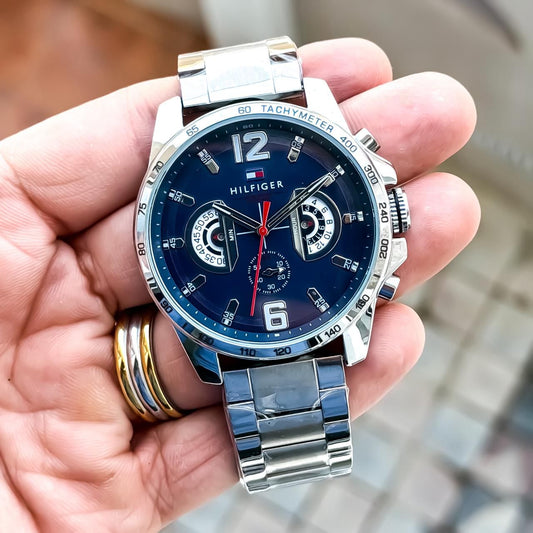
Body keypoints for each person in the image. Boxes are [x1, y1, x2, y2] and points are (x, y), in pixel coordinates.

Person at [0, 38, 480, 532]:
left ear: (389, 210)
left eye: (284, 223)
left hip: (296, 315)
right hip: (252, 321)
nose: (264, 232)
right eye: (235, 229)